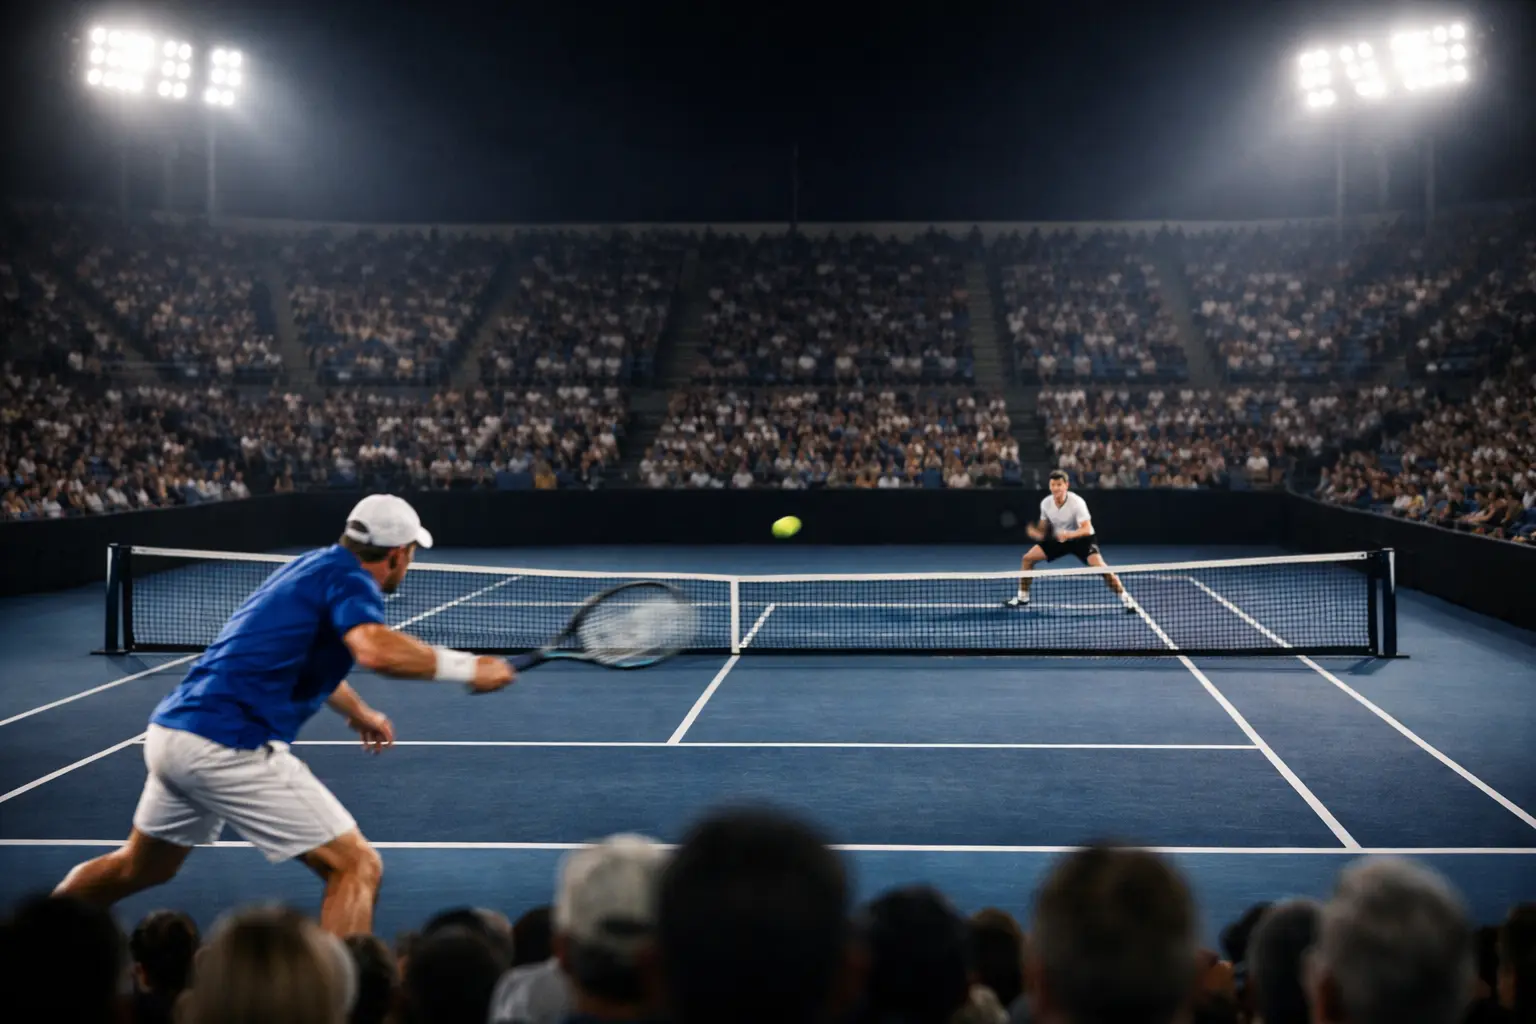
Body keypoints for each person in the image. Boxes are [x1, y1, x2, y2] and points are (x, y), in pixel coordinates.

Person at [53, 494, 517, 937]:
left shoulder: (309, 567)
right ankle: (347, 1003)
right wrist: (468, 666)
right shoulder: (353, 581)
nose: (411, 562)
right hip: (228, 744)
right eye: (412, 553)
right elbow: (375, 651)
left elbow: (304, 657)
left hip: (172, 735)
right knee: (355, 866)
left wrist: (358, 713)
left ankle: (28, 939)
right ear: (396, 554)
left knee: (140, 866)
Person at [1005, 470, 1134, 612]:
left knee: (1103, 569)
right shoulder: (1046, 503)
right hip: (1060, 539)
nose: (1055, 488)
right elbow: (1042, 530)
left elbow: (1087, 528)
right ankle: (1023, 597)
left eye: (1059, 484)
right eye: (1053, 485)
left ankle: (1126, 599)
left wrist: (1069, 535)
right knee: (1027, 559)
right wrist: (1035, 533)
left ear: (1066, 485)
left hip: (1082, 540)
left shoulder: (1077, 502)